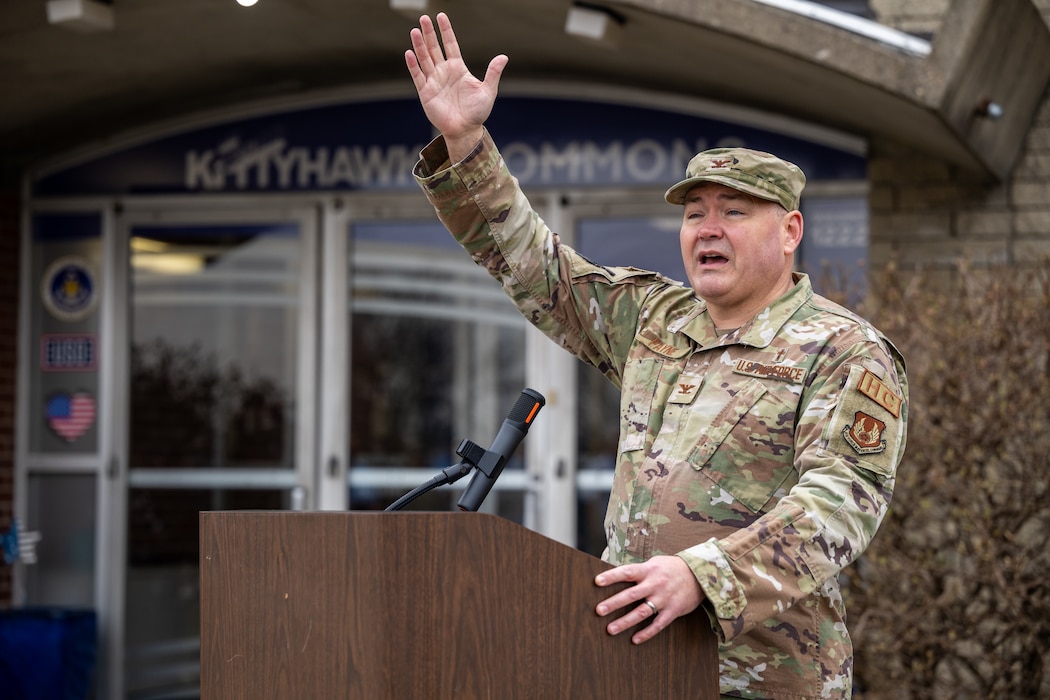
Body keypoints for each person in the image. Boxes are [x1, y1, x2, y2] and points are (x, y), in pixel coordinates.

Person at [405, 13, 908, 700]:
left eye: (734, 212)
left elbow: (838, 507)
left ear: (790, 231)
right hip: (632, 666)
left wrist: (704, 574)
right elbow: (536, 268)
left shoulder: (845, 351)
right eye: (694, 212)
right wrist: (466, 144)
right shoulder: (656, 320)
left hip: (762, 681)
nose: (707, 228)